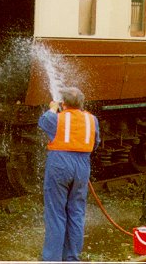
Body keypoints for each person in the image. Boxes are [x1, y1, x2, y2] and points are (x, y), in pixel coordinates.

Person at [38, 87, 100, 261]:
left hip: (59, 165)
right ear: (82, 104)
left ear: (63, 103)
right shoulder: (92, 120)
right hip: (82, 166)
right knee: (76, 213)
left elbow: (43, 121)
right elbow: (95, 143)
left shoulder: (56, 118)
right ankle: (72, 258)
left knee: (56, 213)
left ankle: (52, 259)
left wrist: (52, 107)